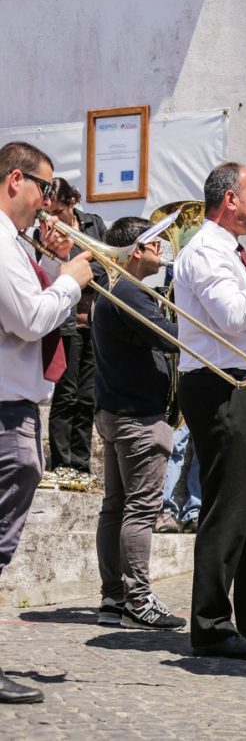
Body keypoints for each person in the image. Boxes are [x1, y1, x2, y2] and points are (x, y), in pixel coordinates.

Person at [173, 162, 246, 660]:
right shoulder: (203, 251)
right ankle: (211, 624)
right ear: (230, 199)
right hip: (219, 386)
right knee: (229, 505)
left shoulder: (230, 252)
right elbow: (234, 315)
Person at [0, 141, 94, 703]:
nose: (48, 202)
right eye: (45, 188)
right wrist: (73, 279)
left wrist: (58, 266)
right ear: (16, 180)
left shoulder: (15, 244)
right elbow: (30, 319)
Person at [91, 216, 187, 631]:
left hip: (115, 413)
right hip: (139, 419)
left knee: (115, 508)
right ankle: (138, 600)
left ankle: (113, 598)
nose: (162, 249)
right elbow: (172, 339)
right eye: (155, 244)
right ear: (136, 251)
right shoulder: (130, 292)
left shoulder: (113, 291)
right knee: (142, 510)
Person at [43, 177, 106, 478]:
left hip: (93, 323)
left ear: (72, 203)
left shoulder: (94, 225)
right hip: (66, 322)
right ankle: (60, 463)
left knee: (87, 396)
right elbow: (49, 276)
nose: (52, 219)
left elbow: (106, 267)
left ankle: (80, 465)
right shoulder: (44, 234)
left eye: (58, 211)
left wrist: (76, 270)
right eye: (48, 212)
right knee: (66, 394)